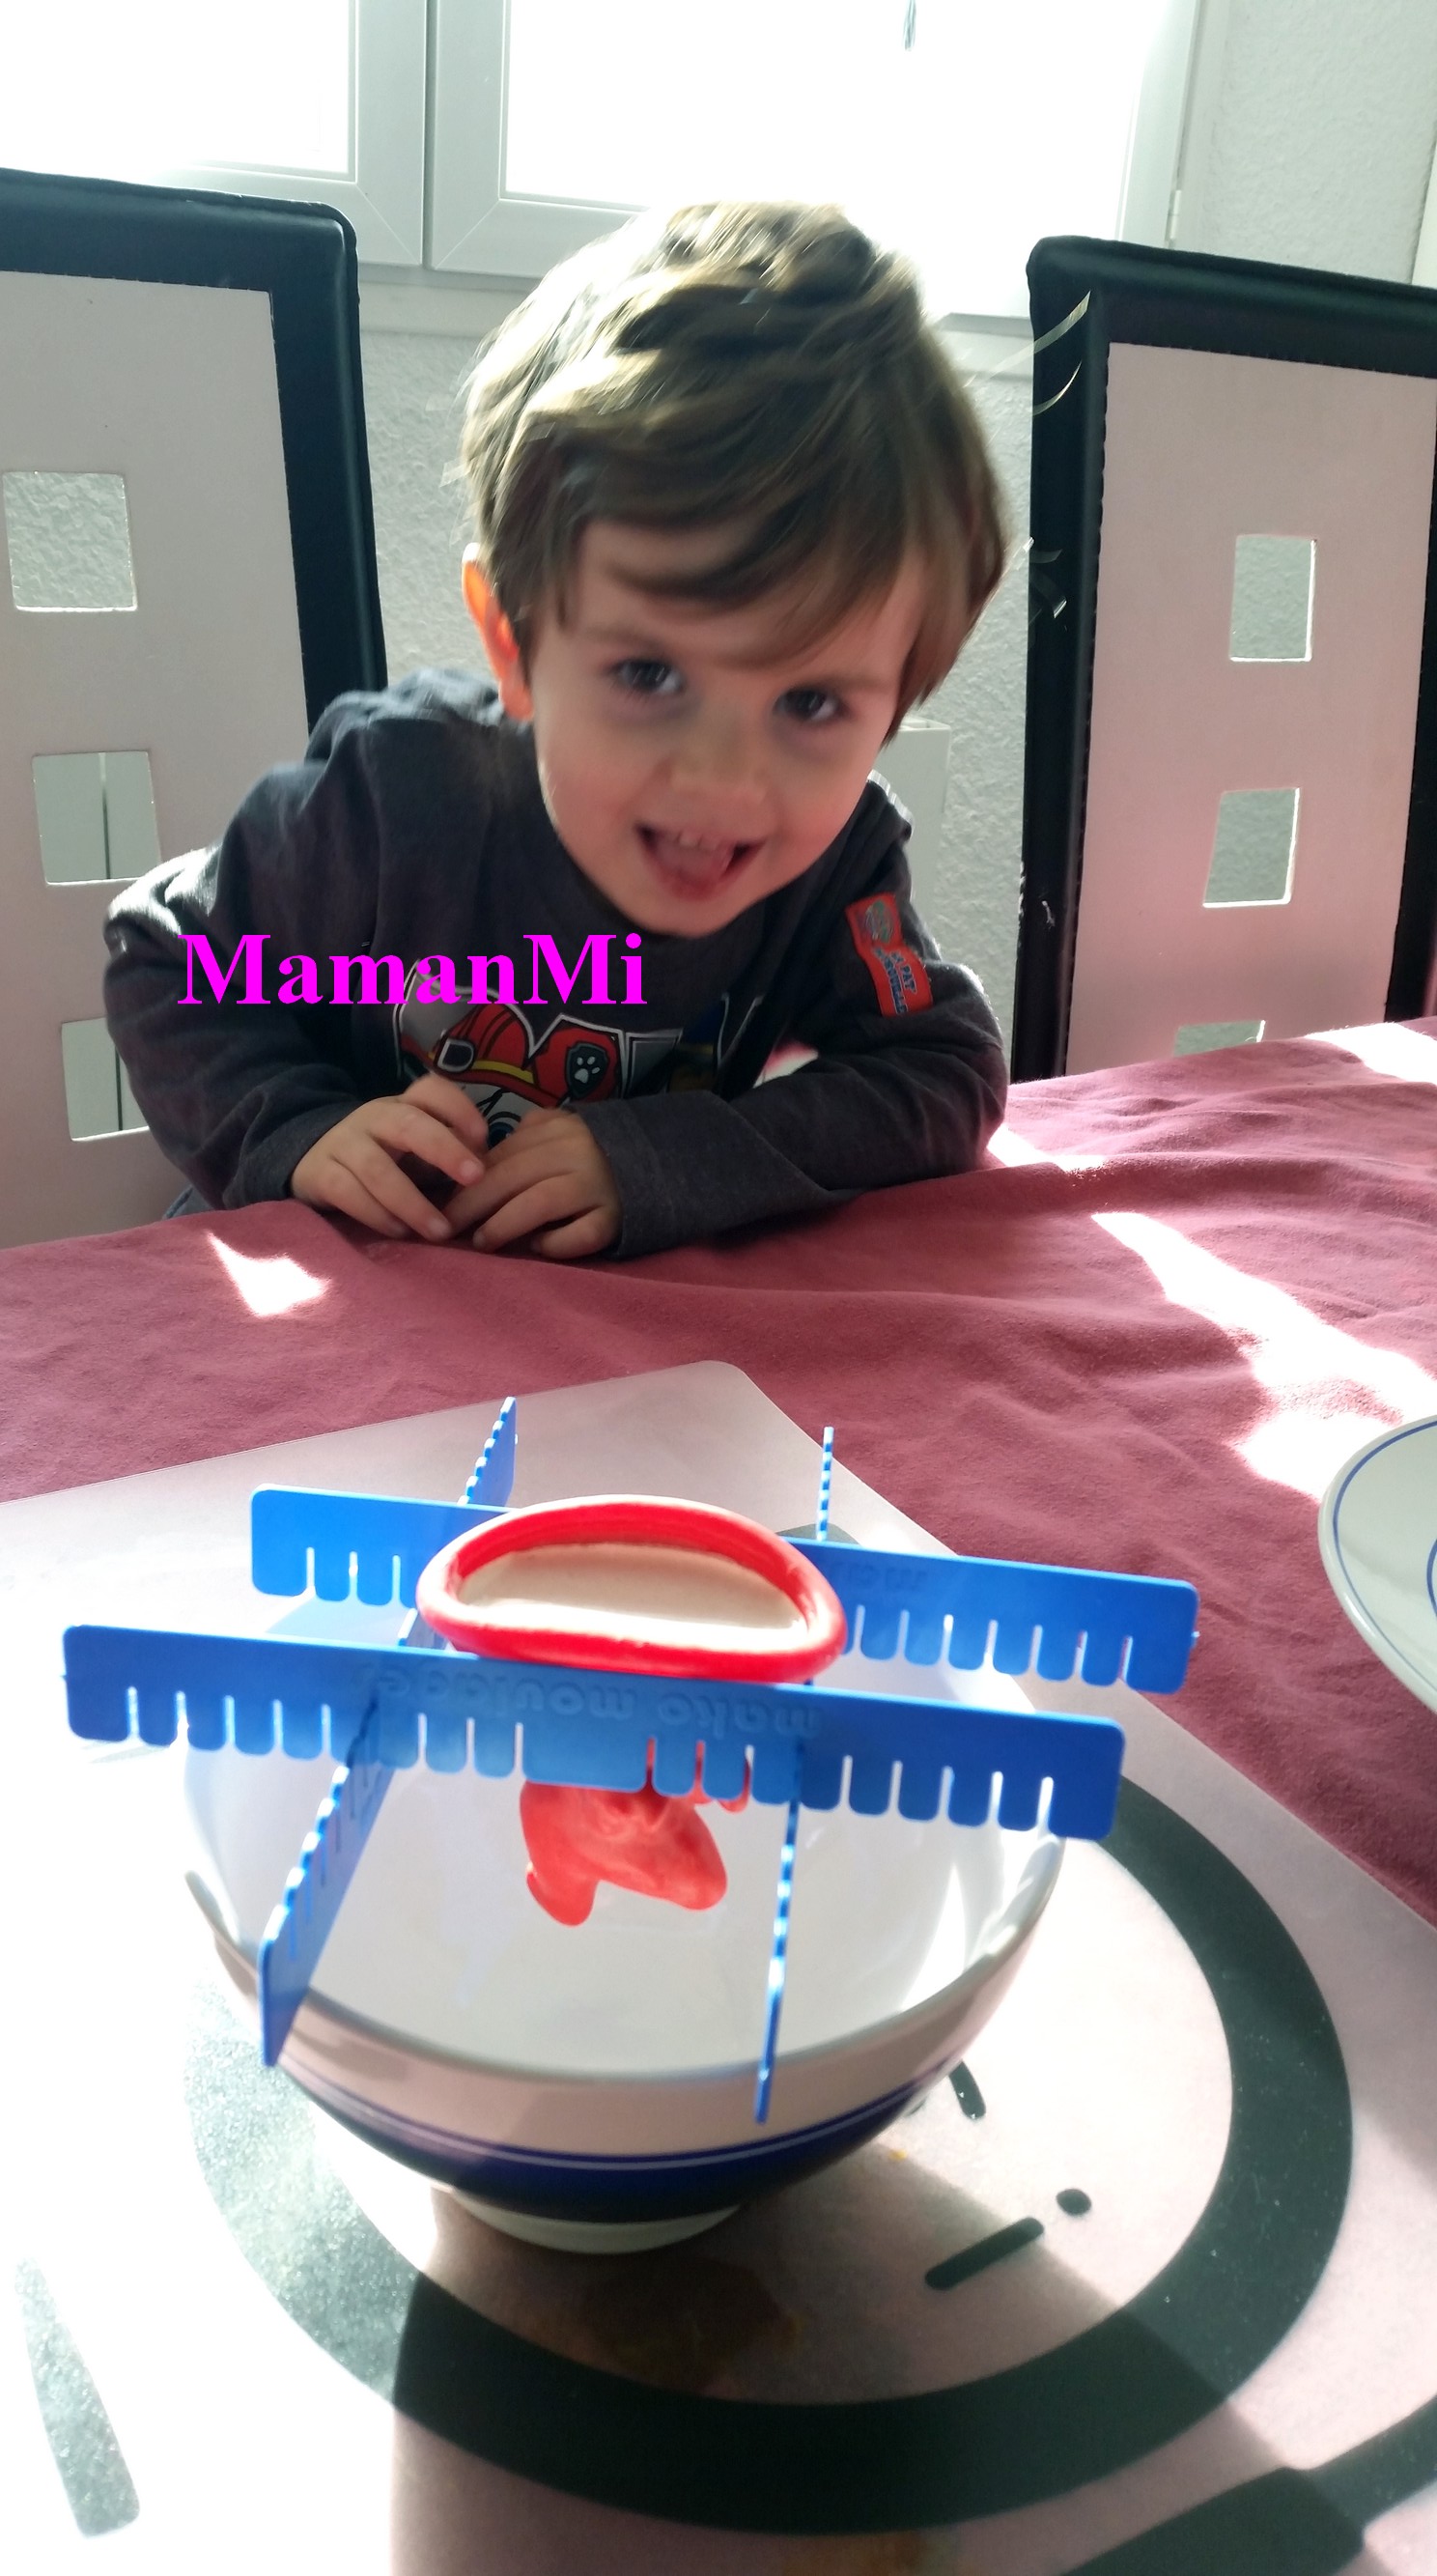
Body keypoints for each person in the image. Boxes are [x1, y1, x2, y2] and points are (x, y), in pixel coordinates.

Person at [104, 200, 1010, 1261]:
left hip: (614, 1344)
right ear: (512, 641)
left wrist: (669, 1155)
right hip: (333, 1312)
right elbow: (169, 961)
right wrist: (296, 1128)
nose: (724, 783)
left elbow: (943, 1069)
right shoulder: (392, 801)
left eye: (811, 703)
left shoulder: (837, 867)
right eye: (648, 675)